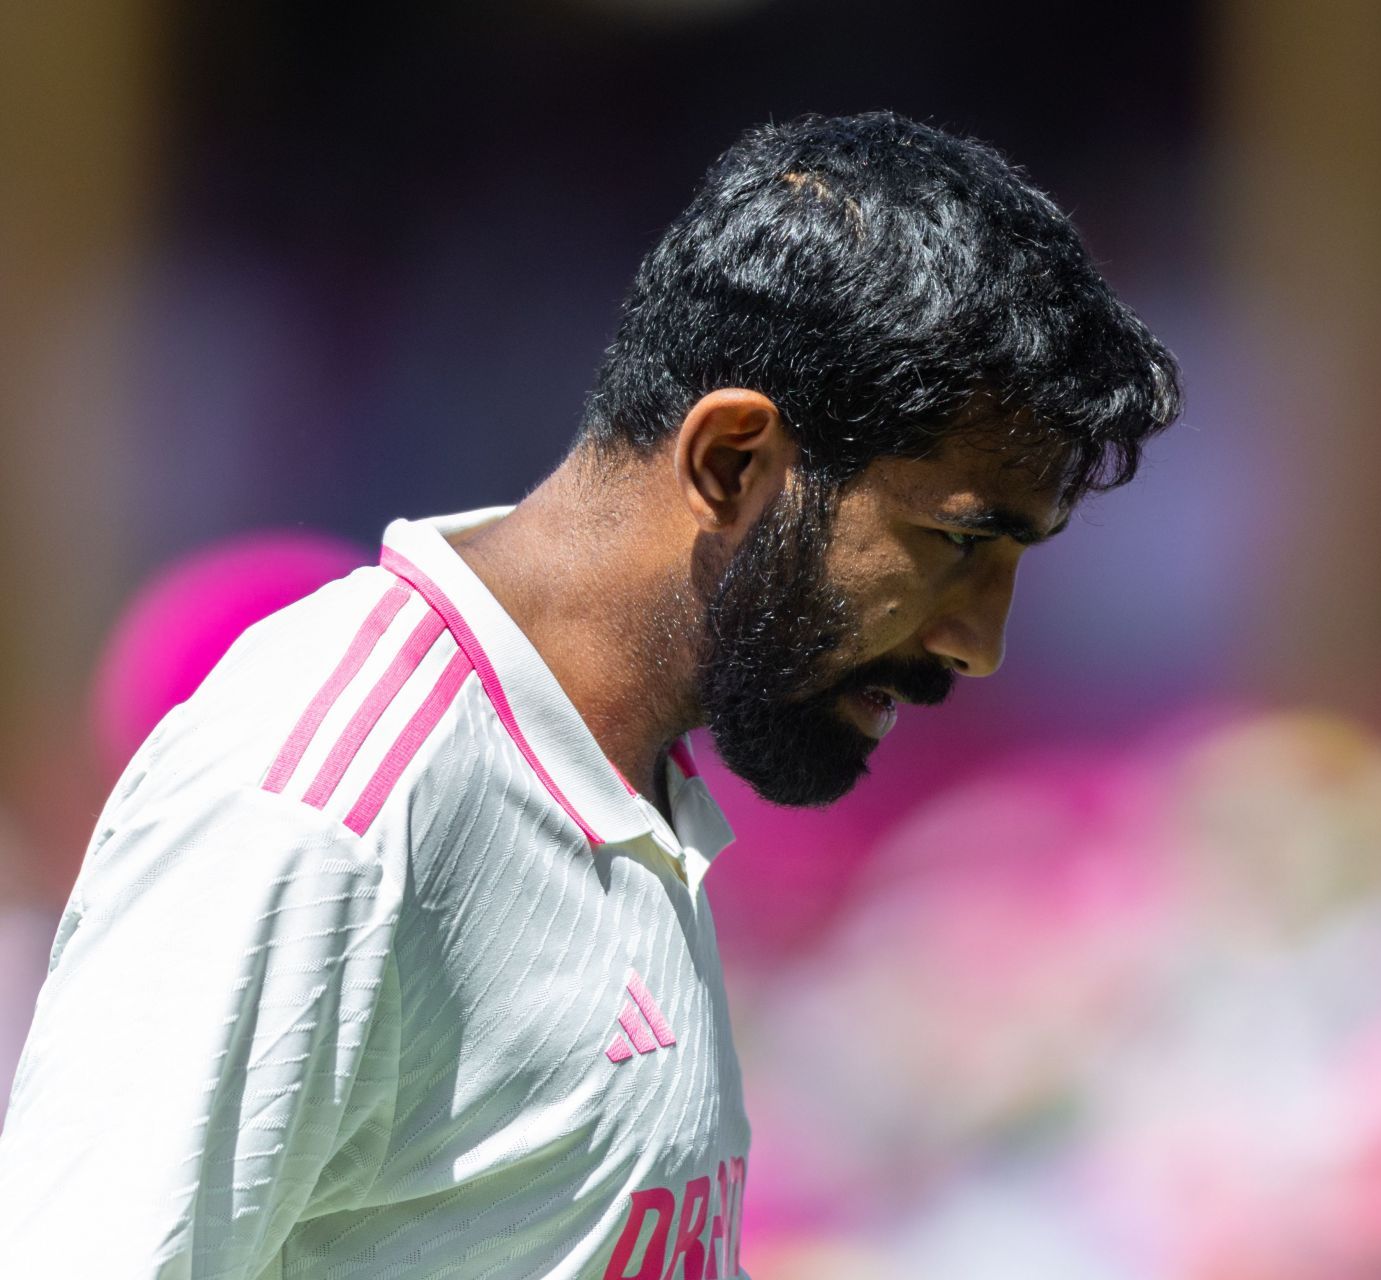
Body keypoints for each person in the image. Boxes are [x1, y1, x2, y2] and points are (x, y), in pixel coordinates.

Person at [0, 111, 1181, 1277]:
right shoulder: (332, 807)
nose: (982, 643)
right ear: (731, 461)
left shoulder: (620, 768)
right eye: (960, 541)